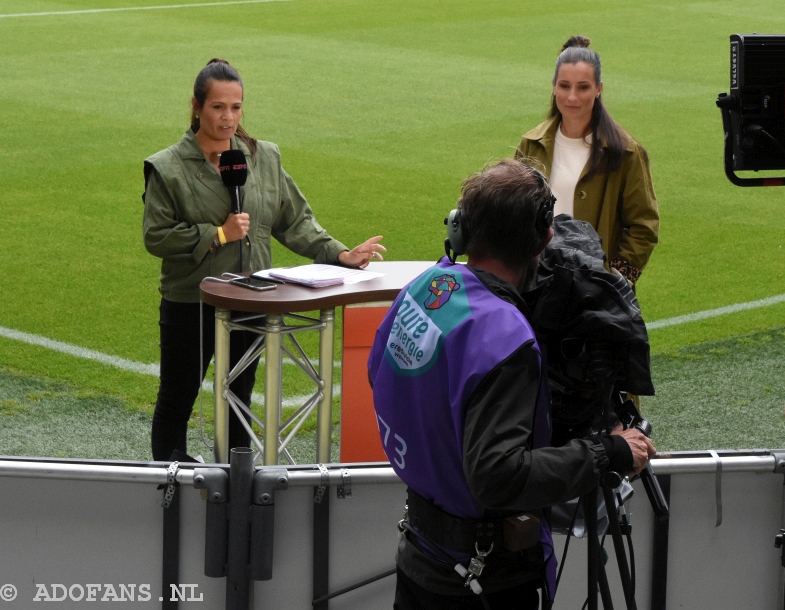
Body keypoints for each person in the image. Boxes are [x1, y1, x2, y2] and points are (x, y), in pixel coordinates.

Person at [368, 159, 655, 609]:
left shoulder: (427, 285)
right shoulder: (506, 338)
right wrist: (609, 452)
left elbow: (381, 378)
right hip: (483, 581)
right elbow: (497, 477)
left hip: (421, 555)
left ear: (463, 226)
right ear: (544, 236)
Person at [143, 58, 385, 461]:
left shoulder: (264, 158)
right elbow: (155, 236)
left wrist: (341, 253)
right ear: (197, 106)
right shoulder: (167, 167)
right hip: (193, 303)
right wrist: (217, 234)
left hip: (253, 299)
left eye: (236, 107)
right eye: (218, 107)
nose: (228, 118)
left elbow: (295, 220)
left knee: (239, 397)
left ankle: (237, 483)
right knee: (178, 398)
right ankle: (171, 488)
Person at [515, 35, 659, 288]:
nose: (572, 97)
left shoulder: (626, 152)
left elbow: (643, 226)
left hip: (596, 293)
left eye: (583, 87)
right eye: (564, 86)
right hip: (537, 284)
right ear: (553, 86)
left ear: (599, 89)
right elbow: (513, 215)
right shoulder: (530, 145)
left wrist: (616, 277)